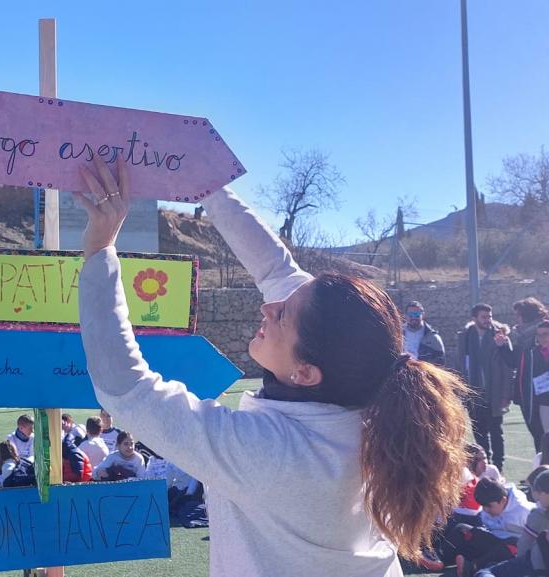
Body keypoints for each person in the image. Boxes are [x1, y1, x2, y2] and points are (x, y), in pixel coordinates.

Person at [75, 158, 470, 574]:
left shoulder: (270, 454)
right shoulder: (363, 404)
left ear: (305, 373)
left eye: (282, 315)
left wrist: (100, 249)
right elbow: (274, 267)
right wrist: (203, 178)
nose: (268, 305)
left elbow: (124, 385)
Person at [458, 304, 514, 470]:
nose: (488, 320)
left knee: (496, 431)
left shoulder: (500, 337)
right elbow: (460, 364)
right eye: (483, 317)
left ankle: (498, 465)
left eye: (489, 316)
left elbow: (508, 367)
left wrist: (506, 395)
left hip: (494, 393)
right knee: (479, 432)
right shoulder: (466, 337)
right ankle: (486, 464)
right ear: (474, 318)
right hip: (474, 393)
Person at [447, 478, 534, 576]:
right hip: (494, 542)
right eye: (483, 505)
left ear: (503, 501)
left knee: (513, 544)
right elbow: (486, 530)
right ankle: (440, 558)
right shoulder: (492, 501)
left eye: (488, 506)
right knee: (462, 529)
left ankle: (472, 566)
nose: (485, 509)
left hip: (511, 552)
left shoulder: (524, 511)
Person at [476, 469, 549, 577]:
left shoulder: (537, 515)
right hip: (531, 561)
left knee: (485, 572)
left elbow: (524, 546)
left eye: (538, 491)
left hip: (535, 565)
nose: (535, 495)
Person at [512, 320, 549, 451]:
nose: (542, 338)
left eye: (545, 334)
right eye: (539, 335)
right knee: (544, 439)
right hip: (543, 403)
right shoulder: (532, 354)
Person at [402, 301, 445, 365]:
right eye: (410, 315)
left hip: (424, 373)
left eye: (417, 314)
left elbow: (441, 364)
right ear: (405, 316)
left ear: (423, 315)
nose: (413, 317)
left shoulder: (433, 338)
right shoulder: (397, 335)